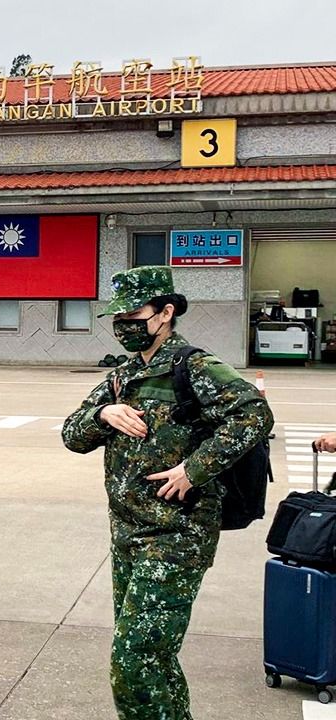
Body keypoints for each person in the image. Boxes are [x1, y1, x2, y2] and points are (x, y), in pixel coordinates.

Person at [62, 267, 273, 720]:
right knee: (154, 658)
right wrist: (103, 414)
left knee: (133, 664)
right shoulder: (121, 377)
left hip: (176, 537)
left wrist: (193, 471)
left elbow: (254, 415)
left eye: (133, 315)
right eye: (118, 318)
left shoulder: (194, 367)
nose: (124, 325)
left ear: (165, 313)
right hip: (127, 535)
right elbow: (71, 435)